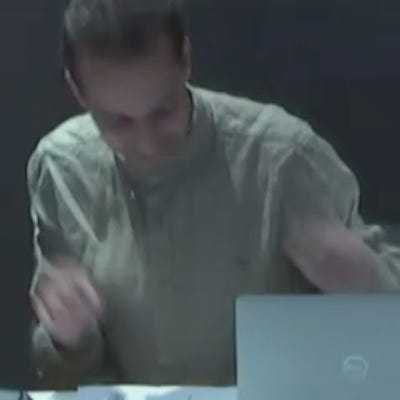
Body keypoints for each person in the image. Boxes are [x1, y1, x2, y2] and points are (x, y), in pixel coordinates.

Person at [28, 0, 400, 389]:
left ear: (186, 59)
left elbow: (388, 317)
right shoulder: (61, 169)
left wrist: (364, 281)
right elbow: (60, 375)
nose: (148, 144)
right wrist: (68, 340)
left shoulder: (282, 158)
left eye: (163, 112)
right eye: (117, 123)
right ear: (77, 90)